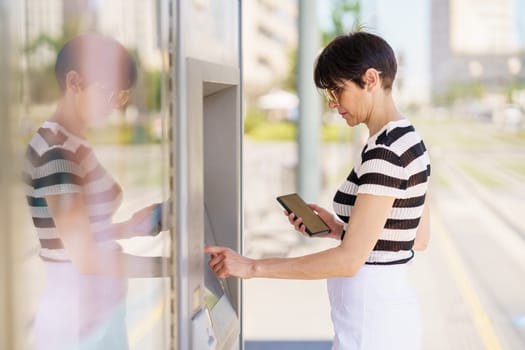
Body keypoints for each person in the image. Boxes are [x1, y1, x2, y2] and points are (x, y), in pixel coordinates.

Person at [205, 30, 431, 350]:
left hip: (372, 327)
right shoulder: (408, 140)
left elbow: (349, 261)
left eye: (338, 90)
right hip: (383, 319)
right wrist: (340, 230)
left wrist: (252, 267)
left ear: (370, 80)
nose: (333, 104)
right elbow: (415, 238)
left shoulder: (385, 151)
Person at [23, 33, 170, 350]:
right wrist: (176, 266)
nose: (116, 104)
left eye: (122, 95)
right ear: (74, 82)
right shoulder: (57, 153)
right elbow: (84, 257)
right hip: (78, 320)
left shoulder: (73, 142)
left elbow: (68, 237)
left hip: (97, 313)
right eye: (109, 92)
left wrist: (129, 227)